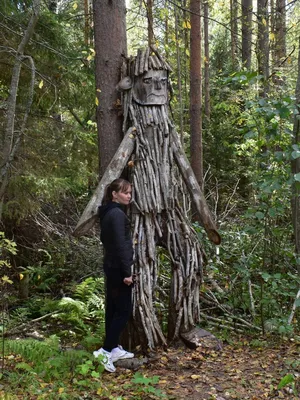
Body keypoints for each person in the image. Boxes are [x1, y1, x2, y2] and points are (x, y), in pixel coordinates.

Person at [93, 178, 135, 372]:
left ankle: (113, 348)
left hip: (111, 265)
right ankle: (106, 350)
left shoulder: (108, 212)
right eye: (125, 192)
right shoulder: (117, 215)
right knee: (124, 310)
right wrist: (127, 272)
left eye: (129, 193)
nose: (129, 196)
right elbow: (121, 245)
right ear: (114, 194)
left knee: (112, 308)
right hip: (119, 268)